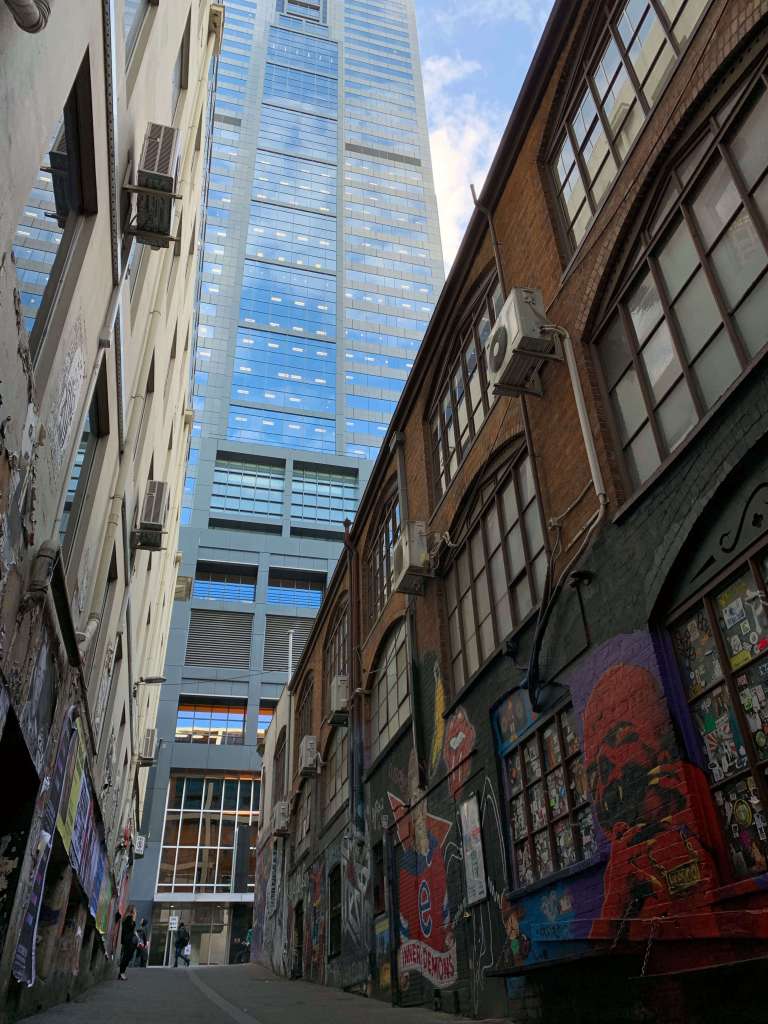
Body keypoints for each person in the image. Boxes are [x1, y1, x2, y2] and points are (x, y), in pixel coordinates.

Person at [119, 906, 137, 980]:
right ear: (132, 911)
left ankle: (121, 973)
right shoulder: (129, 918)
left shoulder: (126, 918)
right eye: (135, 910)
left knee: (127, 957)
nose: (136, 912)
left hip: (127, 940)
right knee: (127, 957)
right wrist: (134, 920)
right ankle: (122, 973)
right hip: (128, 940)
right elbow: (129, 929)